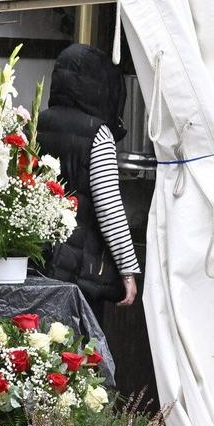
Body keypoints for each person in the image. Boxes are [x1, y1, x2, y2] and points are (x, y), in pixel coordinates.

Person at [36, 43, 140, 310]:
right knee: (80, 347)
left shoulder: (37, 122)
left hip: (37, 259)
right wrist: (127, 270)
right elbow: (109, 206)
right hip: (81, 271)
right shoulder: (98, 133)